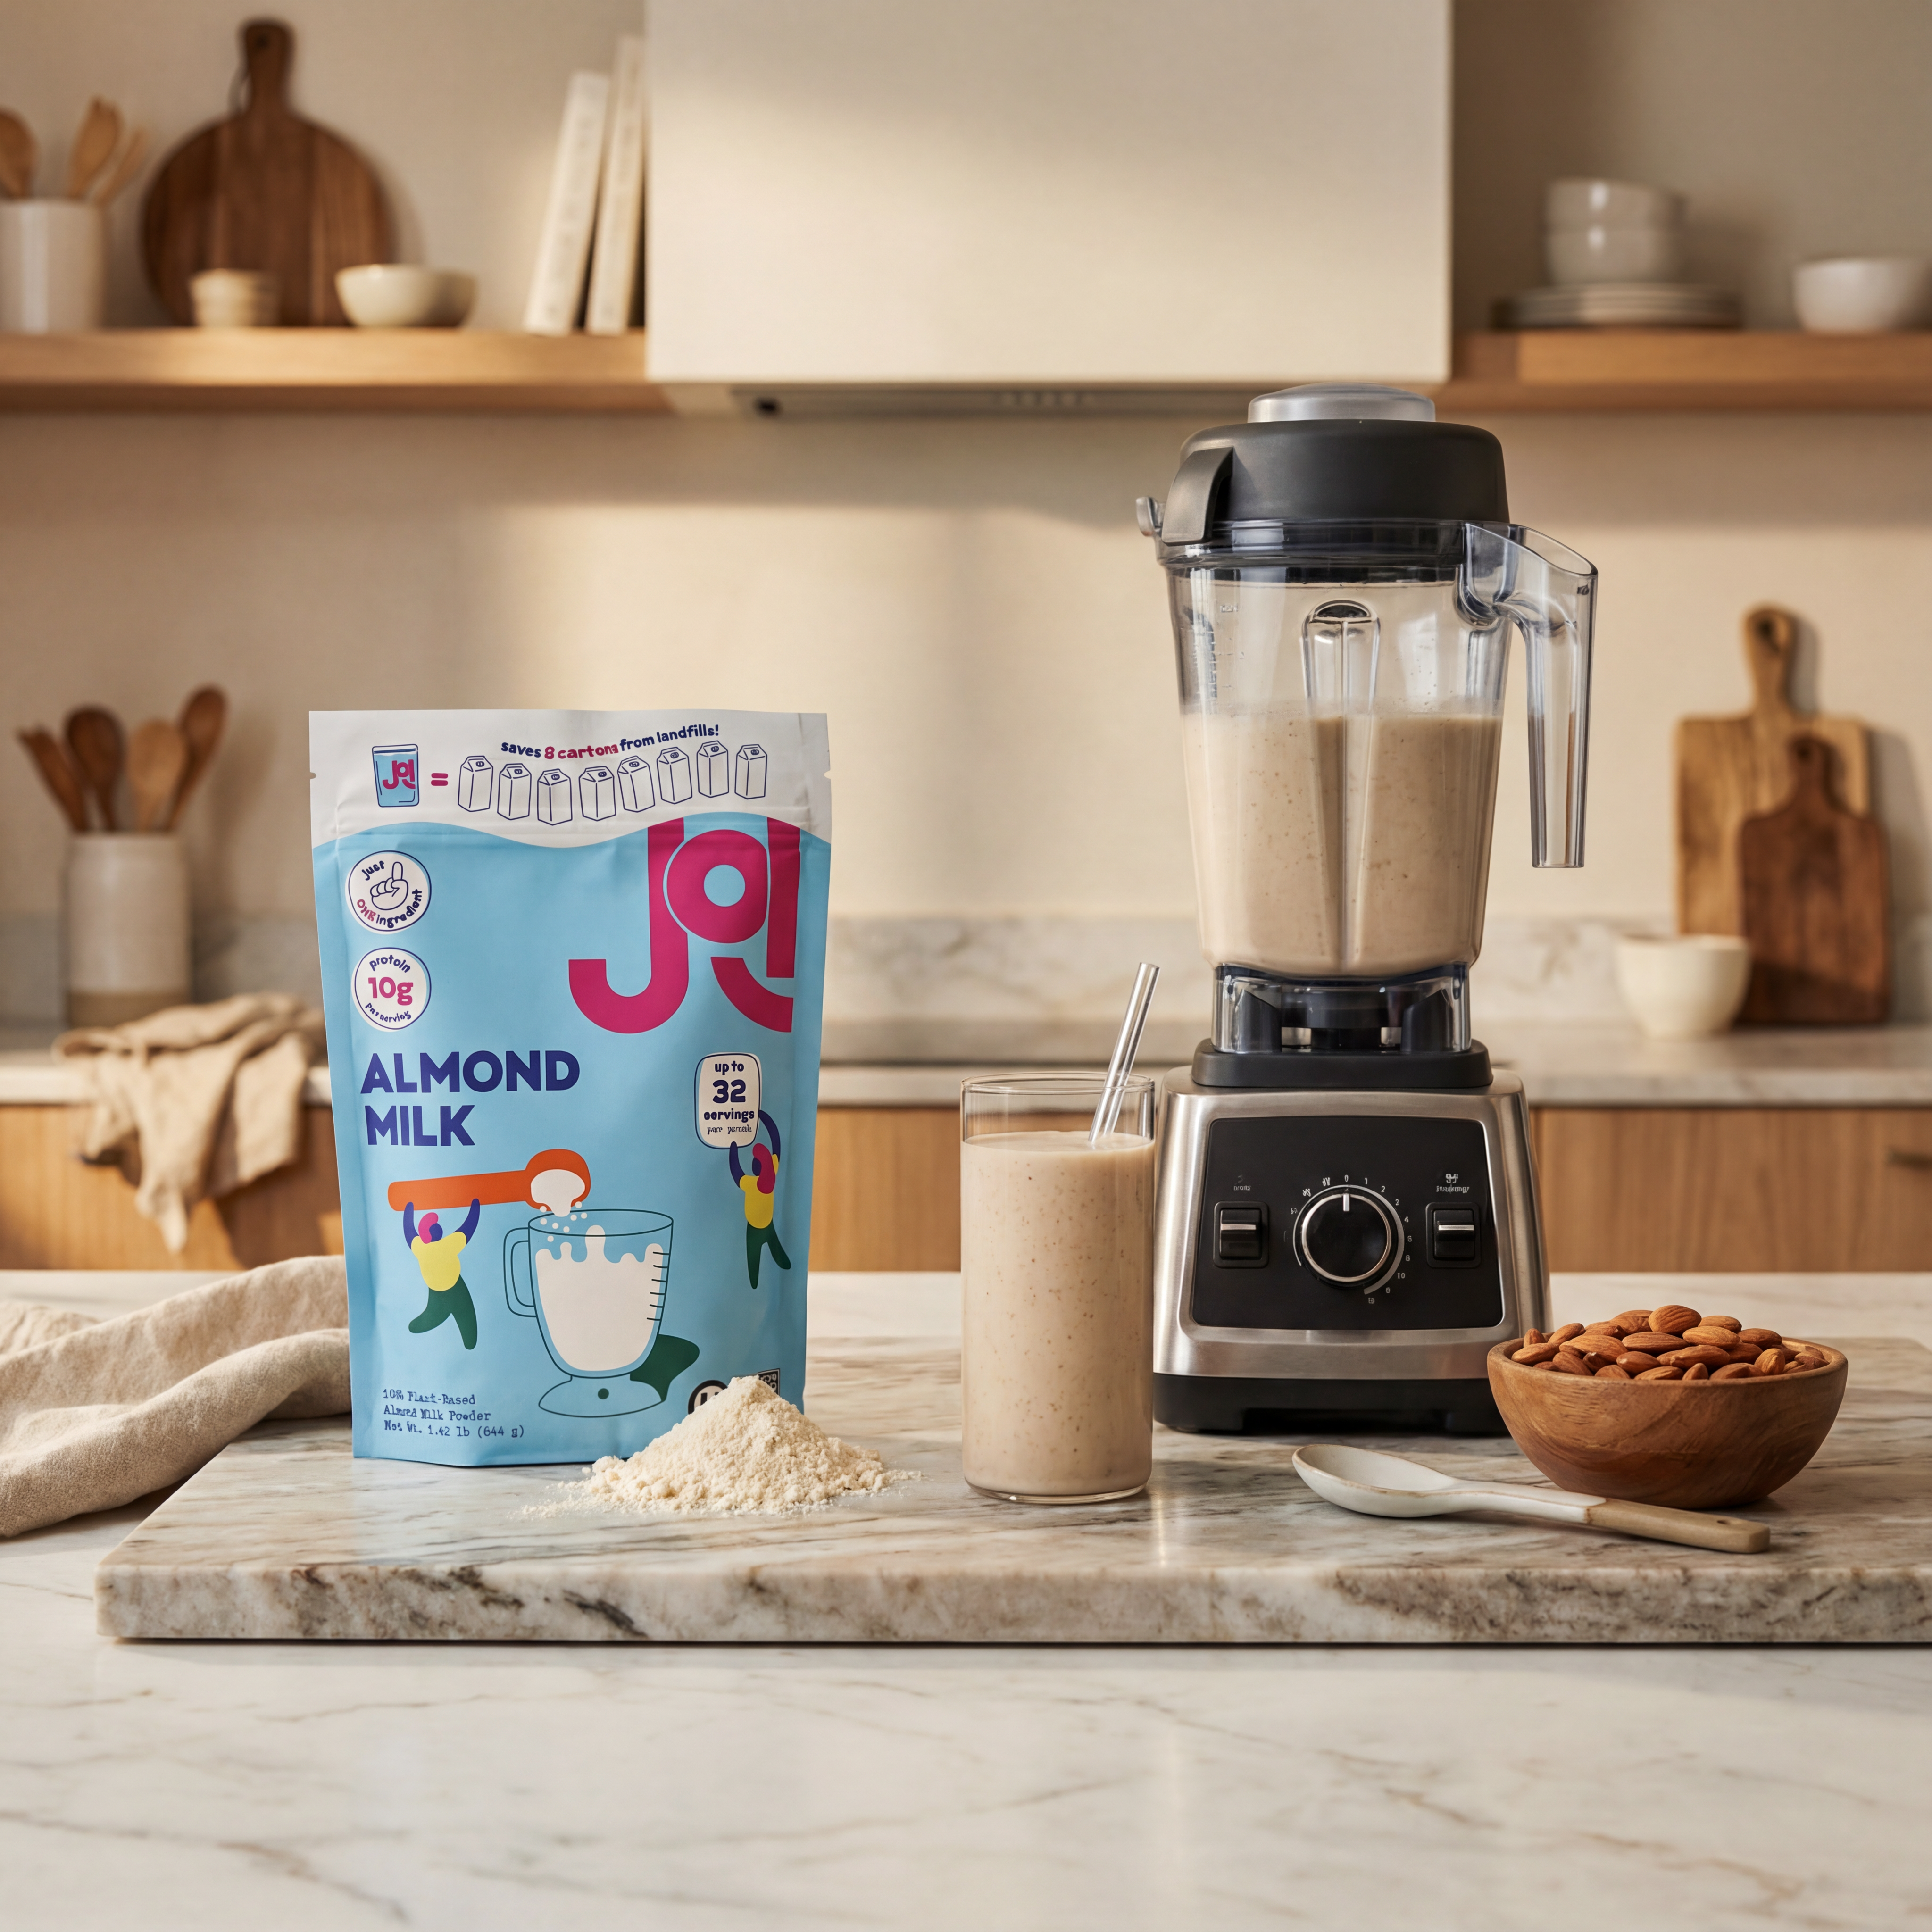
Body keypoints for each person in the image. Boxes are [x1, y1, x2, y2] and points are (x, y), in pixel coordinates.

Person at [402, 1197, 482, 1349]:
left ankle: (442, 1317)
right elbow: (468, 1227)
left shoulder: (421, 1248)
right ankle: (467, 1339)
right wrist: (475, 1208)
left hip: (438, 1289)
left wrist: (409, 1212)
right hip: (455, 1289)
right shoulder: (449, 1244)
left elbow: (409, 1232)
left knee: (458, 1316)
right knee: (465, 1316)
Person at [728, 1110, 791, 1290]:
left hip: (754, 1227)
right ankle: (781, 1263)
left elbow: (736, 1171)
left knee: (753, 1257)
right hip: (767, 1222)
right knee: (775, 1247)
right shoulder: (772, 1174)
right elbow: (776, 1144)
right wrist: (766, 1119)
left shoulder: (749, 1183)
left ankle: (754, 1282)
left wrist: (733, 1149)